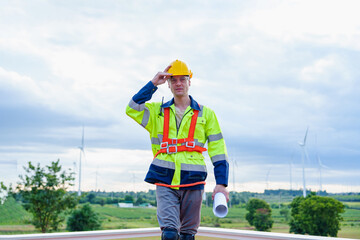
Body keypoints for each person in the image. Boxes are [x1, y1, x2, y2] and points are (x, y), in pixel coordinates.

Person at [126, 60, 229, 240]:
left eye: (183, 79)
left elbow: (218, 149)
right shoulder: (157, 112)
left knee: (188, 236)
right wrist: (152, 84)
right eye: (174, 80)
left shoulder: (207, 114)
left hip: (193, 179)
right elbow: (132, 108)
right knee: (170, 234)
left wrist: (222, 183)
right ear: (168, 83)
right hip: (165, 178)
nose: (178, 83)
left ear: (190, 81)